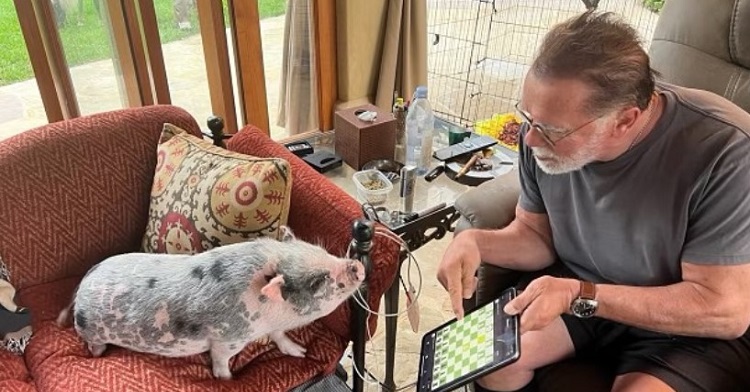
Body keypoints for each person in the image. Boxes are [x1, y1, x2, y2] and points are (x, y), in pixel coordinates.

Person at [437, 10, 750, 392]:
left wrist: (581, 296)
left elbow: (725, 311)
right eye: (528, 117)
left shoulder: (725, 152)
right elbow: (536, 234)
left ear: (624, 120)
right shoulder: (537, 134)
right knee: (489, 364)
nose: (530, 139)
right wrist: (475, 242)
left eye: (551, 130)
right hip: (578, 287)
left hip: (683, 323)